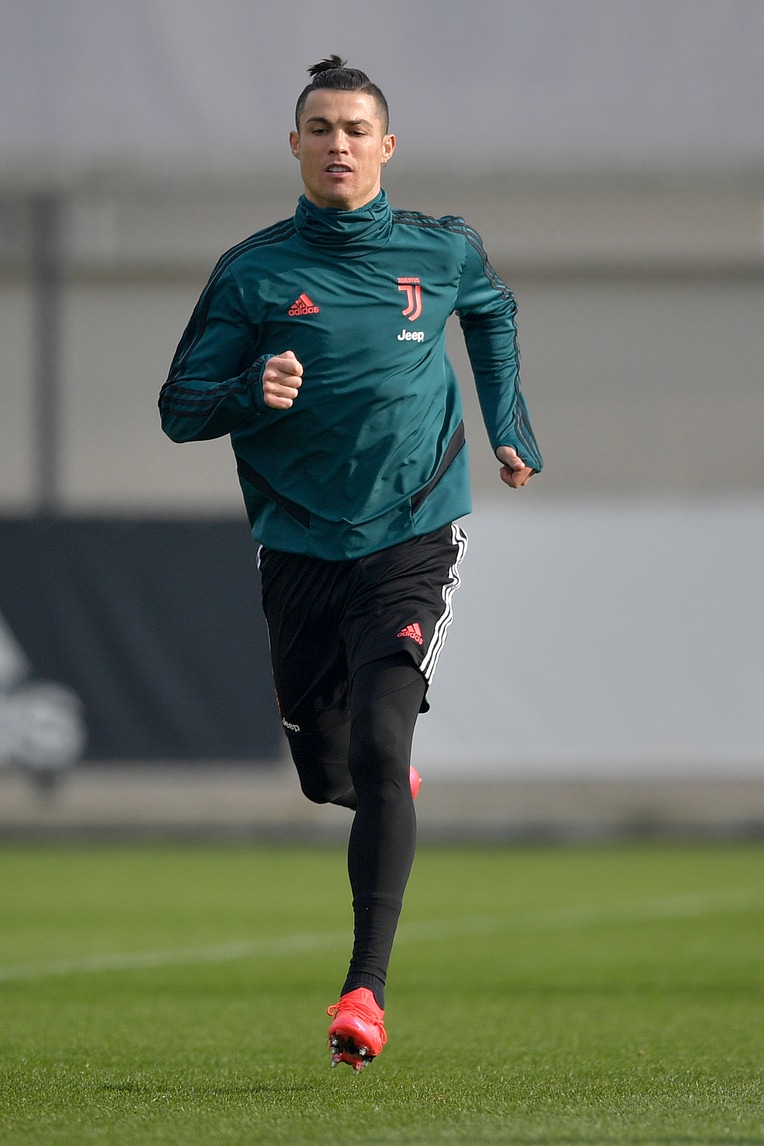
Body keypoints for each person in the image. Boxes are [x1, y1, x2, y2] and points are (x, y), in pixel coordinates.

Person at [159, 55, 542, 1072]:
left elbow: (491, 311)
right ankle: (378, 782)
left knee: (378, 741)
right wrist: (250, 387)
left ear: (386, 145)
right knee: (330, 773)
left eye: (355, 128)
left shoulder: (440, 248)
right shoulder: (252, 272)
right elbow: (178, 409)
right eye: (321, 128)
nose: (338, 143)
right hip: (297, 549)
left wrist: (507, 423)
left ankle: (363, 991)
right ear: (294, 145)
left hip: (411, 535)